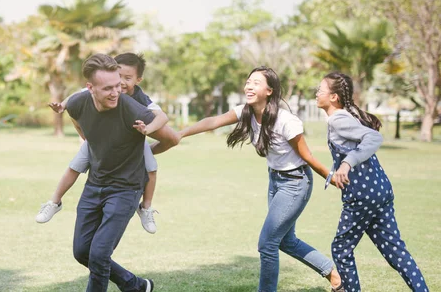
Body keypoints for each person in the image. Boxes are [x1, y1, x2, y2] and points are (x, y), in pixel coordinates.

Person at [175, 66, 343, 292]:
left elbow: (307, 156)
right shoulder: (246, 112)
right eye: (248, 82)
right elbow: (212, 122)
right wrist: (180, 133)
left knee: (267, 244)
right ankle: (333, 274)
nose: (249, 86)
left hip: (295, 183)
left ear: (269, 90)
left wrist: (331, 177)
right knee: (285, 241)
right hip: (275, 181)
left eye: (256, 82)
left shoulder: (286, 121)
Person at [64, 53, 176, 291]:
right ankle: (135, 285)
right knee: (82, 251)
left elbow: (170, 136)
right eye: (108, 88)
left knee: (99, 253)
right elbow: (74, 116)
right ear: (90, 88)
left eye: (118, 85)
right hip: (94, 184)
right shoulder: (77, 102)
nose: (116, 92)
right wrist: (87, 138)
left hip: (126, 188)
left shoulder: (130, 106)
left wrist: (144, 150)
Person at [36, 53, 178, 234]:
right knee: (74, 167)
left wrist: (147, 130)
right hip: (99, 140)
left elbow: (163, 117)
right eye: (119, 77)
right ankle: (54, 202)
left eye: (127, 78)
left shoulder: (140, 99)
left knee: (151, 168)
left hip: (134, 139)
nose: (121, 84)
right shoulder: (99, 88)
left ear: (138, 80)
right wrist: (62, 106)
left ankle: (146, 207)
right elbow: (77, 96)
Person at [316, 72, 429, 292]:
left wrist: (347, 163)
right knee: (395, 250)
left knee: (341, 248)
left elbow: (374, 137)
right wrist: (336, 171)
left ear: (334, 97)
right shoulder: (345, 116)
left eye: (321, 90)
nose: (316, 93)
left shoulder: (339, 119)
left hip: (362, 194)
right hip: (380, 190)